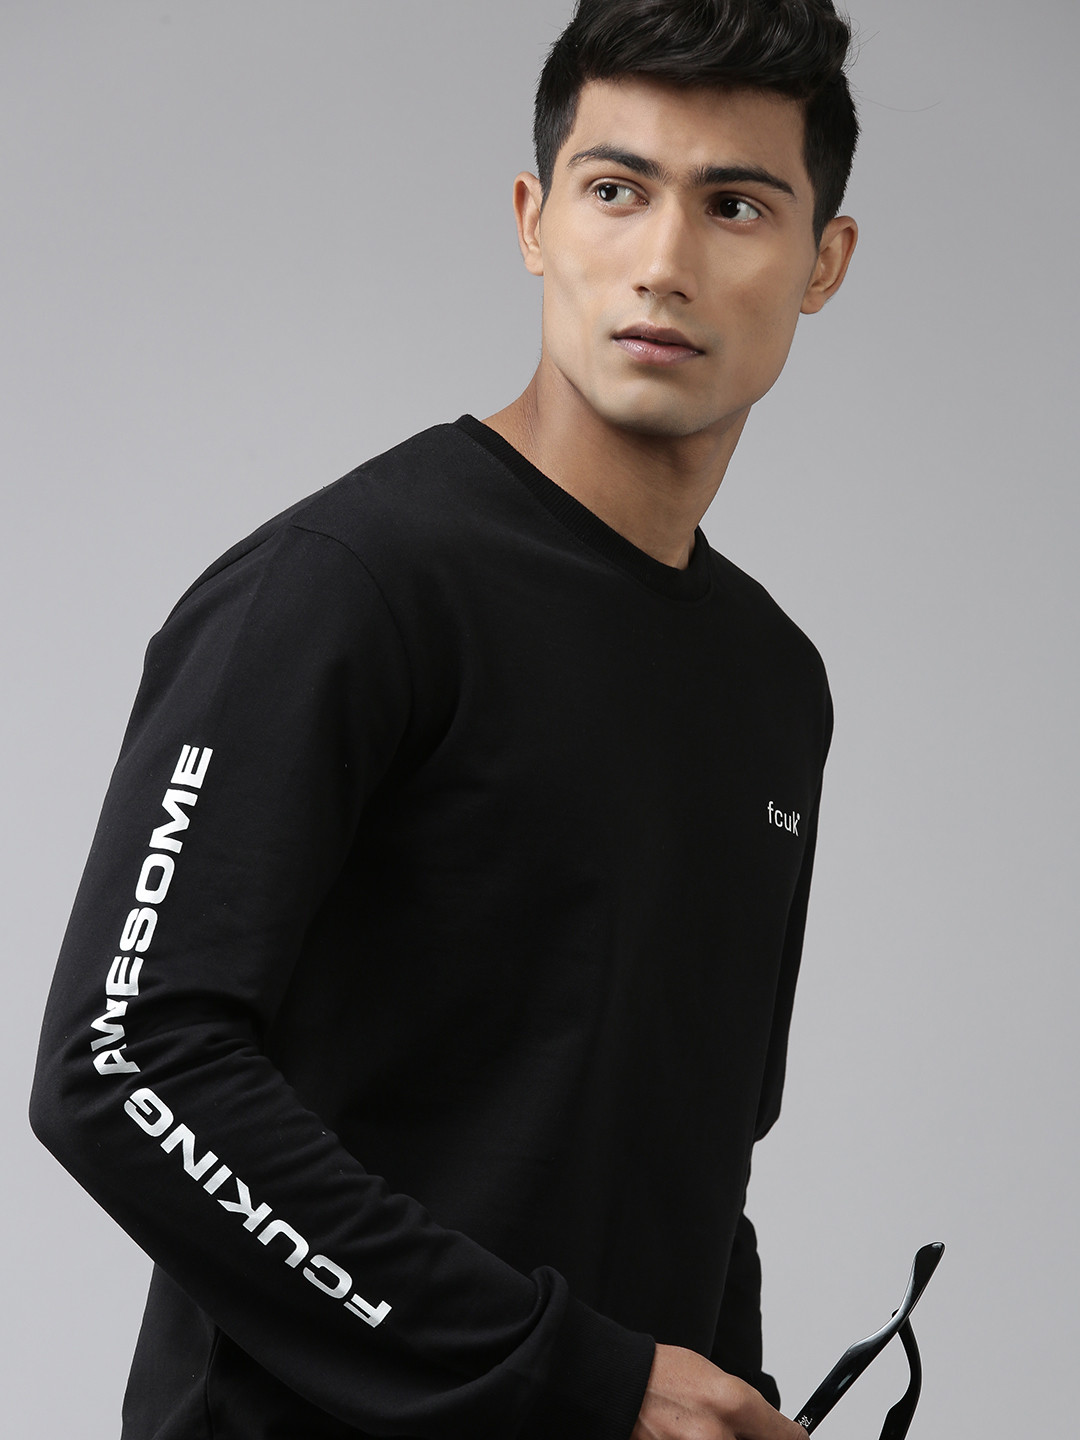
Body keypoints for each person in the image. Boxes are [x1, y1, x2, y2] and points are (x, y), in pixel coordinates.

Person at [30, 1, 859, 1436]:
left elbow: (696, 1142)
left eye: (735, 206)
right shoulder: (351, 587)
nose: (664, 263)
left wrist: (722, 1395)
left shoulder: (773, 681)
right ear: (536, 220)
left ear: (822, 263)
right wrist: (578, 1375)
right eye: (618, 190)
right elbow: (124, 1065)